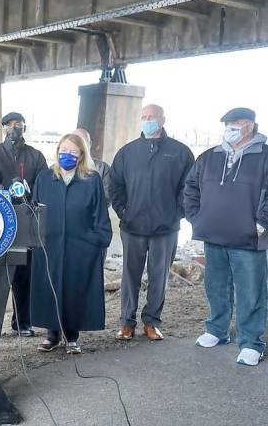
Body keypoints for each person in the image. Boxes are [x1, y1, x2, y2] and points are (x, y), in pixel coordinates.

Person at [184, 107, 268, 366]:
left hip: (249, 238)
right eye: (228, 124)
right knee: (216, 286)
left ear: (251, 127)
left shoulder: (264, 156)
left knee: (250, 291)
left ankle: (252, 342)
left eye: (237, 123)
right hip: (213, 234)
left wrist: (262, 222)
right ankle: (217, 330)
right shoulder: (209, 156)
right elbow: (190, 187)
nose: (231, 128)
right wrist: (196, 217)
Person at [108, 104, 194, 341]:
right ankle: (126, 322)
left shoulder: (180, 152)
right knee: (130, 275)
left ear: (162, 120)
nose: (147, 121)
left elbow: (189, 187)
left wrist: (176, 212)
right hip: (132, 226)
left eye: (152, 117)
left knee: (159, 276)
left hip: (165, 228)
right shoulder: (127, 152)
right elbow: (115, 185)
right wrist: (123, 211)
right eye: (143, 117)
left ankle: (152, 322)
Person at [31, 134, 111, 353]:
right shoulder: (45, 177)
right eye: (63, 150)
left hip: (81, 244)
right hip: (50, 244)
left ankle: (72, 336)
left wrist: (98, 239)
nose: (67, 155)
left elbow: (99, 212)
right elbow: (34, 210)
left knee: (75, 288)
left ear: (81, 155)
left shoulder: (91, 179)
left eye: (73, 152)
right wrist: (35, 239)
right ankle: (52, 334)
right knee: (50, 285)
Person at [0, 111, 47, 337]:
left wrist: (30, 193)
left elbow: (43, 187)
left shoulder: (36, 156)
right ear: (3, 128)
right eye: (10, 125)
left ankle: (22, 322)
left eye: (18, 124)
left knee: (24, 272)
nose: (15, 128)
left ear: (24, 127)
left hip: (26, 220)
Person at [72, 127, 110, 202]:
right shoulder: (56, 169)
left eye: (83, 142)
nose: (79, 146)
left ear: (89, 144)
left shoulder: (102, 169)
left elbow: (106, 198)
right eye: (75, 142)